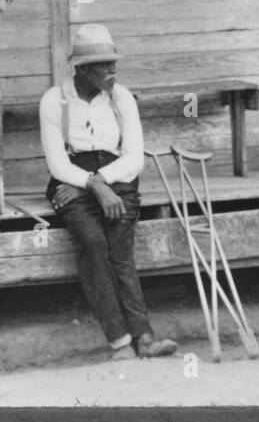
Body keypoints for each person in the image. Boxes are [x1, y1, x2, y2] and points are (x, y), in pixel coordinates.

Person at [39, 24, 178, 361]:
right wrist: (94, 186)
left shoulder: (122, 98)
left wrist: (98, 182)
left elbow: (133, 158)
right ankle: (119, 341)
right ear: (83, 68)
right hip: (73, 181)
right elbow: (58, 164)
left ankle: (144, 338)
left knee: (120, 251)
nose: (114, 70)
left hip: (115, 183)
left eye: (114, 63)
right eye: (105, 65)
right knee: (94, 243)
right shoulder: (54, 101)